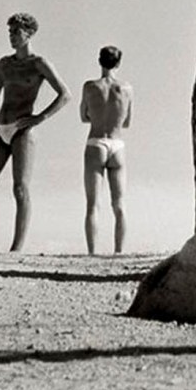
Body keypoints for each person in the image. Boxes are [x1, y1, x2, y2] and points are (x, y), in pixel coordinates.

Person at [0, 12, 71, 252]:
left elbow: (65, 94)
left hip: (23, 131)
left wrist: (40, 117)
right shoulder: (4, 64)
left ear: (29, 33)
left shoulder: (39, 63)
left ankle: (16, 249)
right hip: (1, 128)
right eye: (10, 32)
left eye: (16, 32)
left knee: (20, 188)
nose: (11, 37)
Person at [80, 46, 133, 254]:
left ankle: (92, 252)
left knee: (93, 204)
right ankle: (119, 251)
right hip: (117, 143)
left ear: (99, 61)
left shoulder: (90, 86)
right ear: (118, 63)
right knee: (119, 204)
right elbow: (127, 121)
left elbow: (83, 116)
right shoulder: (127, 88)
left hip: (95, 141)